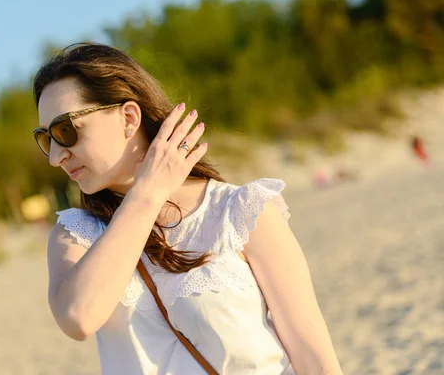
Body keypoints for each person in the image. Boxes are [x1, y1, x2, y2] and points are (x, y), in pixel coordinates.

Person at [34, 43, 342, 375]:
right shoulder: (76, 235)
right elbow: (79, 316)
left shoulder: (239, 212)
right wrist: (146, 195)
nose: (55, 157)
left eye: (65, 131)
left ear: (128, 117)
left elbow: (315, 360)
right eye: (45, 138)